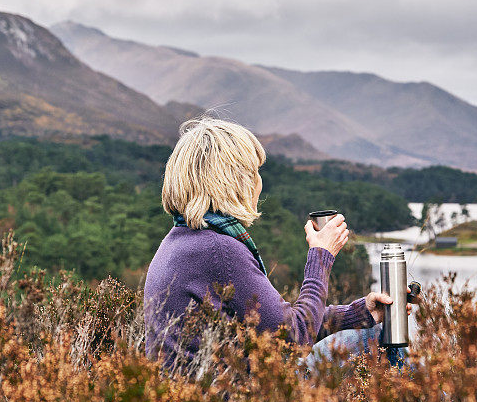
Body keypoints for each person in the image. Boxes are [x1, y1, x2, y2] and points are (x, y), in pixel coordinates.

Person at [143, 116, 409, 372]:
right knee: (372, 339)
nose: (259, 183)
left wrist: (359, 313)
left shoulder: (181, 243)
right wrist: (321, 256)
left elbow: (277, 324)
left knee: (370, 328)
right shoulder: (218, 250)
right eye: (254, 172)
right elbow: (293, 338)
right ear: (235, 181)